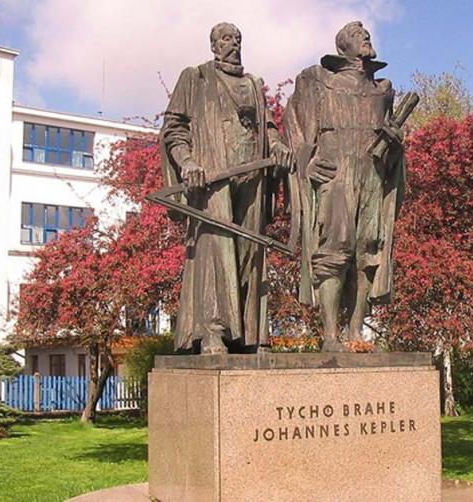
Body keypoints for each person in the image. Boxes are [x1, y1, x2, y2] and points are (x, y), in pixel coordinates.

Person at [160, 22, 292, 354]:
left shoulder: (253, 83)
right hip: (213, 178)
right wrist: (187, 162)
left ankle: (250, 335)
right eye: (225, 39)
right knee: (215, 250)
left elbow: (269, 127)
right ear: (213, 46)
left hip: (253, 176)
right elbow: (174, 128)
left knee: (251, 253)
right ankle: (212, 331)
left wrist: (276, 145)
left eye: (236, 39)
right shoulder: (197, 77)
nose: (232, 44)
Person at [284, 21, 405, 351]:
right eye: (356, 35)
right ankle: (330, 335)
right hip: (336, 174)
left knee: (369, 250)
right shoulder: (318, 82)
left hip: (372, 176)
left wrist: (395, 145)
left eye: (365, 34)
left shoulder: (384, 90)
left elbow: (392, 144)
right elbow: (294, 125)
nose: (364, 37)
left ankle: (355, 331)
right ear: (342, 48)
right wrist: (305, 161)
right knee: (335, 249)